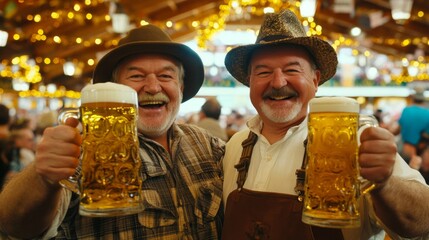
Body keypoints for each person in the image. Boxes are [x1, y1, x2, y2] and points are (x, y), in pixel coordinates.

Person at [0, 24, 225, 239]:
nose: (153, 87)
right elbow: (14, 226)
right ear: (115, 89)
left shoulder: (207, 145)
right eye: (136, 76)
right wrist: (43, 177)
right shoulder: (86, 151)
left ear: (181, 88)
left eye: (166, 76)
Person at [222, 10, 429, 239]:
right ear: (250, 82)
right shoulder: (235, 146)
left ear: (315, 79)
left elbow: (422, 224)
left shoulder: (351, 141)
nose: (278, 82)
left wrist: (385, 184)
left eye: (292, 70)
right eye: (263, 72)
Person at [397, 91, 429, 163]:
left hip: (405, 150)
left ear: (413, 99)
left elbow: (398, 129)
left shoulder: (406, 110)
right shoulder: (428, 113)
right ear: (423, 101)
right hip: (422, 154)